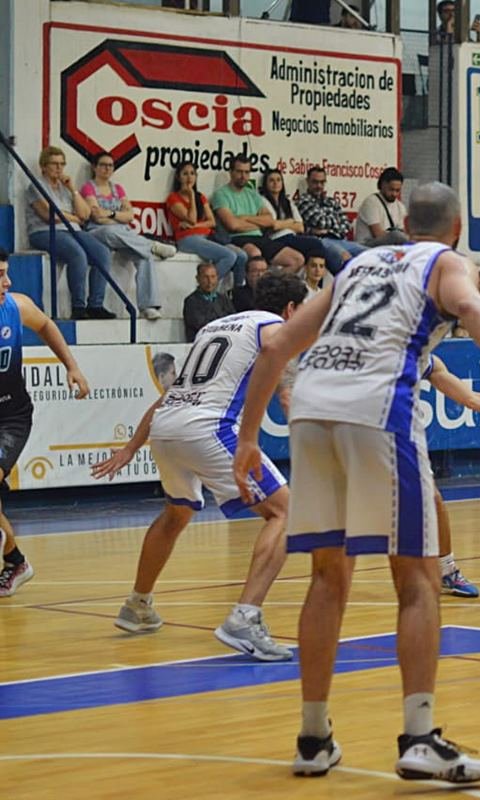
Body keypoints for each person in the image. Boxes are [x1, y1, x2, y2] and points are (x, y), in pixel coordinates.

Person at [232, 181, 480, 782]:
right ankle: (420, 737)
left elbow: (277, 346)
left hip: (311, 412)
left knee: (328, 576)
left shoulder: (357, 263)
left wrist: (250, 439)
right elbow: (472, 306)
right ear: (456, 227)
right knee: (419, 578)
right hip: (377, 412)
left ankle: (313, 737)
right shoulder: (444, 260)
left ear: (404, 219)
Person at [91, 274, 307, 660]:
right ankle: (246, 616)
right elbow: (285, 384)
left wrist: (132, 446)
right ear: (291, 309)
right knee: (286, 512)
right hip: (211, 428)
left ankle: (137, 605)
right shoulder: (276, 328)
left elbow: (175, 392)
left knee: (176, 514)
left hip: (167, 427)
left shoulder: (214, 326)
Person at [0, 248, 90, 597]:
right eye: (0, 275)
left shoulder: (16, 306)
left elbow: (47, 324)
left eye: (6, 273)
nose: (7, 281)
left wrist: (72, 366)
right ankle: (16, 562)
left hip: (11, 416)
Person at [423, 354, 480, 597]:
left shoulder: (425, 359)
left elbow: (471, 398)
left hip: (399, 440)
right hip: (354, 435)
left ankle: (446, 570)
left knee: (433, 499)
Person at [25, 146, 114, 319]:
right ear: (43, 166)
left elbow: (85, 214)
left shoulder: (66, 188)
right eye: (54, 164)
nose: (59, 168)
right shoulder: (35, 185)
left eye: (62, 164)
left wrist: (73, 189)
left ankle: (95, 304)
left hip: (72, 231)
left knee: (102, 253)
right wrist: (73, 217)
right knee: (77, 254)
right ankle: (78, 306)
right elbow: (49, 215)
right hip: (44, 231)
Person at [81, 151, 172, 320]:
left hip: (121, 234)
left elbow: (130, 215)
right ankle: (151, 245)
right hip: (97, 232)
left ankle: (148, 305)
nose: (107, 169)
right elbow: (96, 217)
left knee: (144, 256)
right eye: (103, 165)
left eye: (110, 165)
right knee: (110, 230)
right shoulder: (88, 187)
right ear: (94, 167)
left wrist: (111, 215)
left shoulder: (118, 189)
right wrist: (117, 216)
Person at [211, 155, 305, 272]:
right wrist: (260, 223)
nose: (243, 176)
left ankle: (273, 288)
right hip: (238, 239)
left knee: (297, 259)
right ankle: (258, 289)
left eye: (246, 172)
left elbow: (270, 220)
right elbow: (233, 225)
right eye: (239, 172)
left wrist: (245, 218)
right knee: (256, 255)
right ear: (231, 172)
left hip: (260, 238)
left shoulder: (253, 194)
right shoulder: (221, 194)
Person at [167, 161, 248, 288]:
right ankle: (205, 288)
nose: (189, 178)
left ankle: (239, 294)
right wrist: (192, 196)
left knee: (241, 256)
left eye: (192, 174)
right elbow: (192, 218)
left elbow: (211, 221)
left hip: (207, 236)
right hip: (187, 239)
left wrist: (195, 226)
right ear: (178, 177)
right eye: (185, 174)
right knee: (229, 255)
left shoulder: (202, 197)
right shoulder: (173, 198)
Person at [296, 165, 368, 271]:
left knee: (369, 253)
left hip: (340, 239)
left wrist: (328, 226)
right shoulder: (303, 201)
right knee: (345, 257)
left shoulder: (330, 201)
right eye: (315, 182)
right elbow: (321, 222)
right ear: (308, 182)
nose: (319, 186)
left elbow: (346, 224)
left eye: (322, 182)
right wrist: (335, 222)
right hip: (321, 241)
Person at [258, 168, 327, 268]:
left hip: (291, 237)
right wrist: (290, 222)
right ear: (266, 183)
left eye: (278, 180)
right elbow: (273, 225)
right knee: (316, 244)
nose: (275, 183)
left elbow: (300, 227)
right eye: (271, 180)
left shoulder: (287, 202)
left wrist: (283, 224)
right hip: (276, 239)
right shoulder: (262, 200)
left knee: (316, 252)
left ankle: (311, 281)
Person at [354, 167, 409, 246]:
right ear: (382, 185)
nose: (394, 194)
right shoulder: (371, 202)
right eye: (391, 189)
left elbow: (403, 232)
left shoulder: (400, 206)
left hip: (390, 246)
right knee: (396, 236)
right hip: (366, 245)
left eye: (397, 190)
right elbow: (378, 234)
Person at [183, 262, 235, 342]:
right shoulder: (191, 301)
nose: (210, 281)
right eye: (205, 277)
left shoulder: (224, 299)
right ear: (198, 278)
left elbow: (233, 319)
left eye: (213, 277)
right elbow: (201, 325)